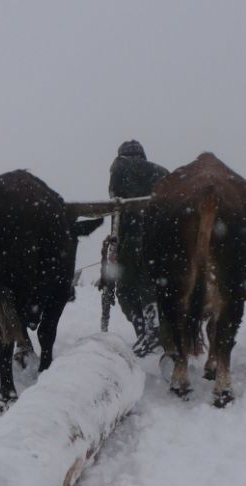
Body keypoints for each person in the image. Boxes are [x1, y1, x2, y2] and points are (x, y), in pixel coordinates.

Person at [106, 140, 169, 356]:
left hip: (131, 240)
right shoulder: (162, 173)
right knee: (152, 285)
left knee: (126, 289)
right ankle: (154, 331)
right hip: (162, 241)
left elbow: (114, 199)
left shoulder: (119, 166)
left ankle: (144, 330)